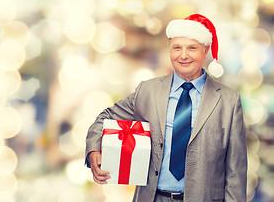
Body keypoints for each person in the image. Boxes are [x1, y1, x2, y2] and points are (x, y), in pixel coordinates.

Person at [85, 14, 247, 202]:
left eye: (192, 48)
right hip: (153, 197)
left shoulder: (228, 101)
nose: (183, 55)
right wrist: (93, 149)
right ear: (169, 49)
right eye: (177, 48)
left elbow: (236, 172)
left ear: (205, 50)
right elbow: (107, 117)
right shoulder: (149, 90)